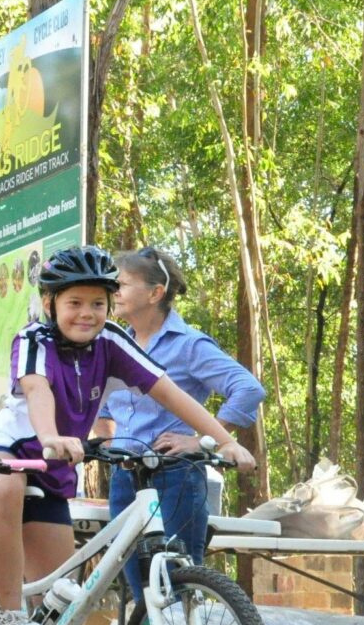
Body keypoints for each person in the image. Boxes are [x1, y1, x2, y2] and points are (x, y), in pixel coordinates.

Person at [0, 246, 255, 625]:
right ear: (50, 303)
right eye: (74, 302)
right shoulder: (33, 340)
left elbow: (168, 392)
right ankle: (4, 617)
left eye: (98, 303)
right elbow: (38, 390)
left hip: (51, 475)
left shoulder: (112, 343)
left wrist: (220, 441)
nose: (87, 314)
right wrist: (50, 436)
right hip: (2, 455)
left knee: (67, 609)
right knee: (7, 483)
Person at [92, 247, 266, 600]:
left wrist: (201, 440)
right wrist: (108, 438)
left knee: (177, 582)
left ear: (155, 293)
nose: (114, 294)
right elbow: (101, 400)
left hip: (175, 476)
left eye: (122, 285)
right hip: (126, 478)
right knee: (139, 587)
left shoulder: (189, 345)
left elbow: (247, 389)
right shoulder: (113, 342)